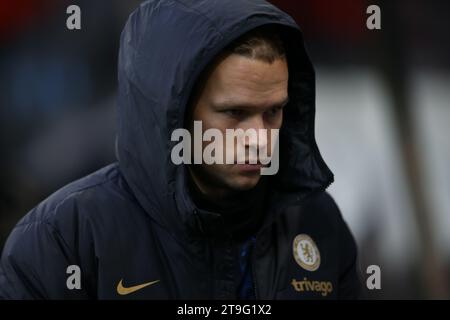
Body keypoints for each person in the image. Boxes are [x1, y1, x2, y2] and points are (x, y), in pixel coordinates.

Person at [0, 0, 360, 299]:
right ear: (174, 113)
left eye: (273, 111)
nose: (259, 138)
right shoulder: (63, 240)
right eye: (235, 112)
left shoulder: (317, 222)